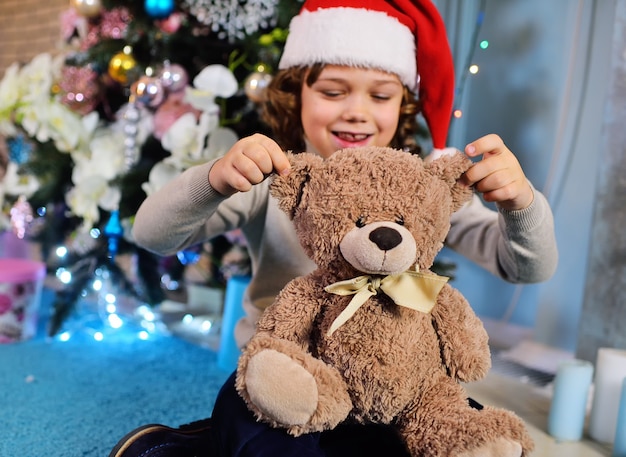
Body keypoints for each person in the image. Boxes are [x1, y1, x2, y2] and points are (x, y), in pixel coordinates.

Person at [109, 0, 558, 456]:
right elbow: (150, 234)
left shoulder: (424, 188)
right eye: (332, 91)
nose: (357, 112)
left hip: (397, 389)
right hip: (286, 380)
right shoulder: (275, 177)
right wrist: (214, 180)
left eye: (380, 95)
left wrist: (520, 204)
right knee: (264, 435)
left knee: (453, 432)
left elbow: (526, 268)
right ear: (295, 94)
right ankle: (200, 442)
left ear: (402, 103)